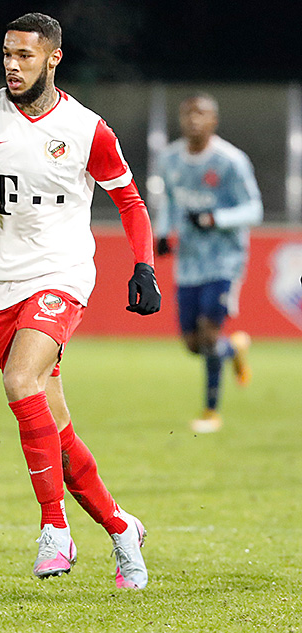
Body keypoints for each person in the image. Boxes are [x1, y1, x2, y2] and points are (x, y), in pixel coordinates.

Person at [0, 12, 161, 589]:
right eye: (6, 54)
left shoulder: (87, 129)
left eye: (24, 55)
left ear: (53, 58)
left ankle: (54, 529)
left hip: (61, 274)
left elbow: (131, 202)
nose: (12, 66)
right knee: (55, 429)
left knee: (20, 381)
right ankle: (121, 529)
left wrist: (143, 265)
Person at [153, 93, 262, 434]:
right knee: (192, 344)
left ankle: (211, 411)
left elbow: (254, 209)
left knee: (209, 334)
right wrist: (161, 232)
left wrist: (216, 218)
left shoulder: (231, 161)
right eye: (187, 114)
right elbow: (169, 200)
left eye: (200, 114)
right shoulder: (170, 160)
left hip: (224, 261)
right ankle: (234, 349)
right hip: (189, 263)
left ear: (213, 121)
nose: (193, 121)